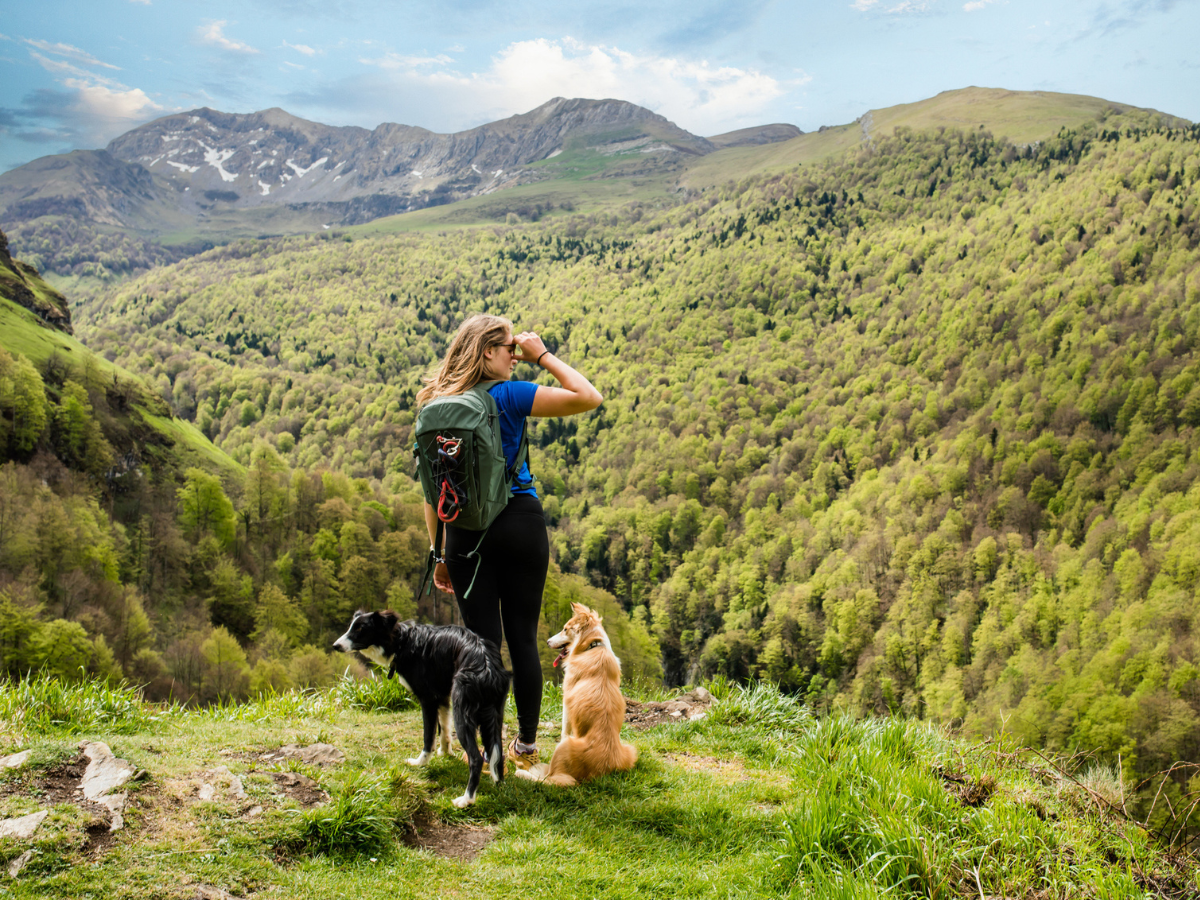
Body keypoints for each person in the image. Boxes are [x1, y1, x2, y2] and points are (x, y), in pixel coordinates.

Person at [416, 314, 602, 767]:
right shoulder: (511, 396)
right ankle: (527, 746)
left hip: (464, 534)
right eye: (508, 350)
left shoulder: (437, 405)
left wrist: (440, 552)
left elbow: (430, 494)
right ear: (486, 354)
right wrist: (543, 354)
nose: (515, 358)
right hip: (520, 523)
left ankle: (485, 745)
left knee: (481, 644)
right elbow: (588, 397)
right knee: (522, 637)